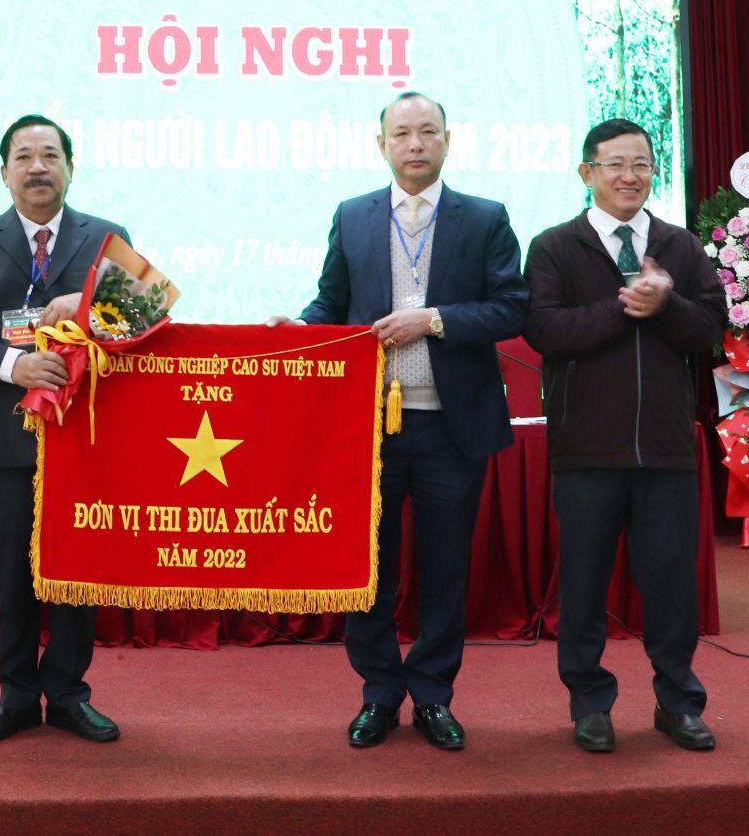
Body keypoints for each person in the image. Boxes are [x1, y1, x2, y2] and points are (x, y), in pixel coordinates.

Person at [288, 91, 528, 750]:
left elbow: (513, 307)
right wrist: (296, 331)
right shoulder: (353, 215)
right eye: (402, 134)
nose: (415, 144)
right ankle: (379, 694)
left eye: (428, 132)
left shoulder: (485, 218)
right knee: (369, 570)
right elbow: (330, 304)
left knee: (446, 571)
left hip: (452, 426)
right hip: (369, 429)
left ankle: (432, 696)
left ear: (447, 140)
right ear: (382, 145)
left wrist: (435, 320)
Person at [522, 118, 726, 754]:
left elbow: (711, 330)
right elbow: (545, 332)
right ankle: (590, 703)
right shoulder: (555, 247)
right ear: (587, 173)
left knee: (671, 586)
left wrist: (666, 305)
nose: (628, 177)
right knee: (583, 585)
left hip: (666, 448)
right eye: (614, 164)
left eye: (640, 164)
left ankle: (678, 702)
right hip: (586, 449)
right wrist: (625, 304)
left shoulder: (680, 246)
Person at [0, 114, 128, 745]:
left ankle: (69, 694)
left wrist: (90, 306)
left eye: (51, 155)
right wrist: (12, 365)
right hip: (4, 436)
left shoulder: (107, 238)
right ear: (4, 172)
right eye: (24, 156)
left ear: (71, 168)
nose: (38, 167)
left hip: (84, 437)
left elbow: (145, 315)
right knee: (10, 573)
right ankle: (16, 695)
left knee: (77, 568)